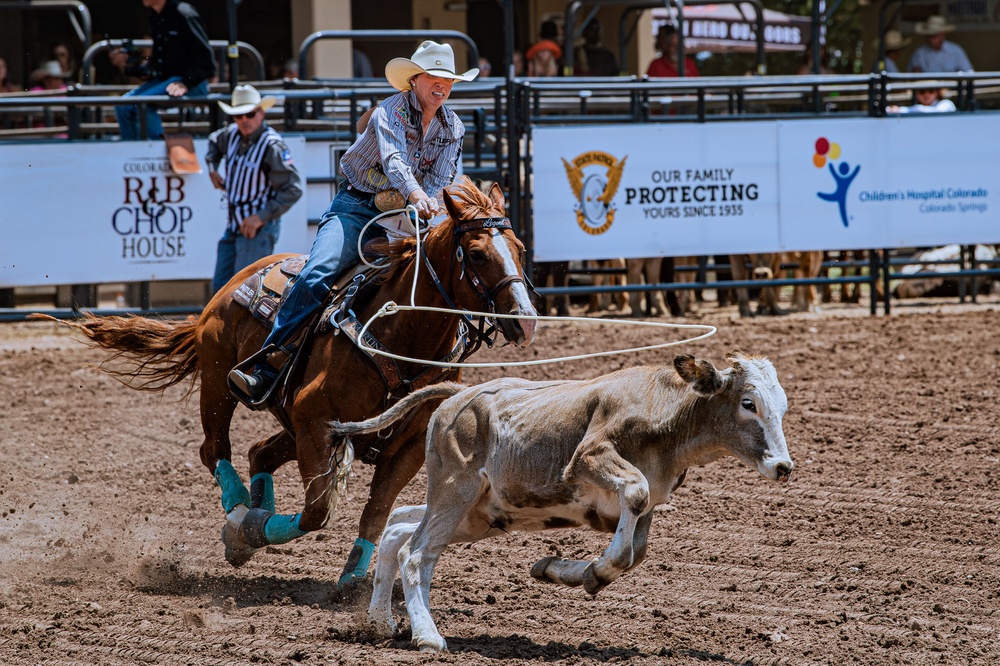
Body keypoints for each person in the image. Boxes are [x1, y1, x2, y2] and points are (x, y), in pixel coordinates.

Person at [228, 40, 478, 401]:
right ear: (415, 80)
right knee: (318, 272)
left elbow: (441, 179)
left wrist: (429, 202)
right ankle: (267, 364)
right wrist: (418, 196)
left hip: (409, 213)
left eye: (448, 79)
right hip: (357, 206)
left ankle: (433, 365)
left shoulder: (452, 126)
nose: (442, 85)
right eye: (434, 77)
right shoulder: (389, 112)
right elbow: (394, 162)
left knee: (446, 272)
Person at [205, 85, 303, 295]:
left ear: (261, 113)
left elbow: (292, 190)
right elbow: (213, 142)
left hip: (257, 228)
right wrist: (212, 169)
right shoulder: (231, 135)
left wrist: (260, 217)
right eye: (238, 116)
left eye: (249, 114)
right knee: (220, 290)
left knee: (242, 292)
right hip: (235, 224)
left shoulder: (272, 146)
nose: (244, 120)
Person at [114, 0, 216, 141]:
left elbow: (207, 63)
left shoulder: (184, 14)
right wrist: (145, 68)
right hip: (166, 79)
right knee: (122, 106)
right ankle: (130, 152)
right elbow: (163, 57)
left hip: (191, 83)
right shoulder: (155, 15)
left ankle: (156, 151)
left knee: (142, 105)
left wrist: (185, 82)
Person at [907, 15, 973, 73]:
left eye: (934, 36)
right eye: (928, 36)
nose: (931, 39)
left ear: (942, 34)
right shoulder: (919, 54)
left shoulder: (956, 51)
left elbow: (968, 73)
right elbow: (910, 78)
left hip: (951, 86)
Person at [886, 86, 956, 113]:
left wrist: (901, 110)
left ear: (937, 93)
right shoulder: (915, 109)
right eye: (922, 92)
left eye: (931, 91)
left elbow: (937, 112)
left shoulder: (946, 104)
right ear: (917, 94)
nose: (926, 95)